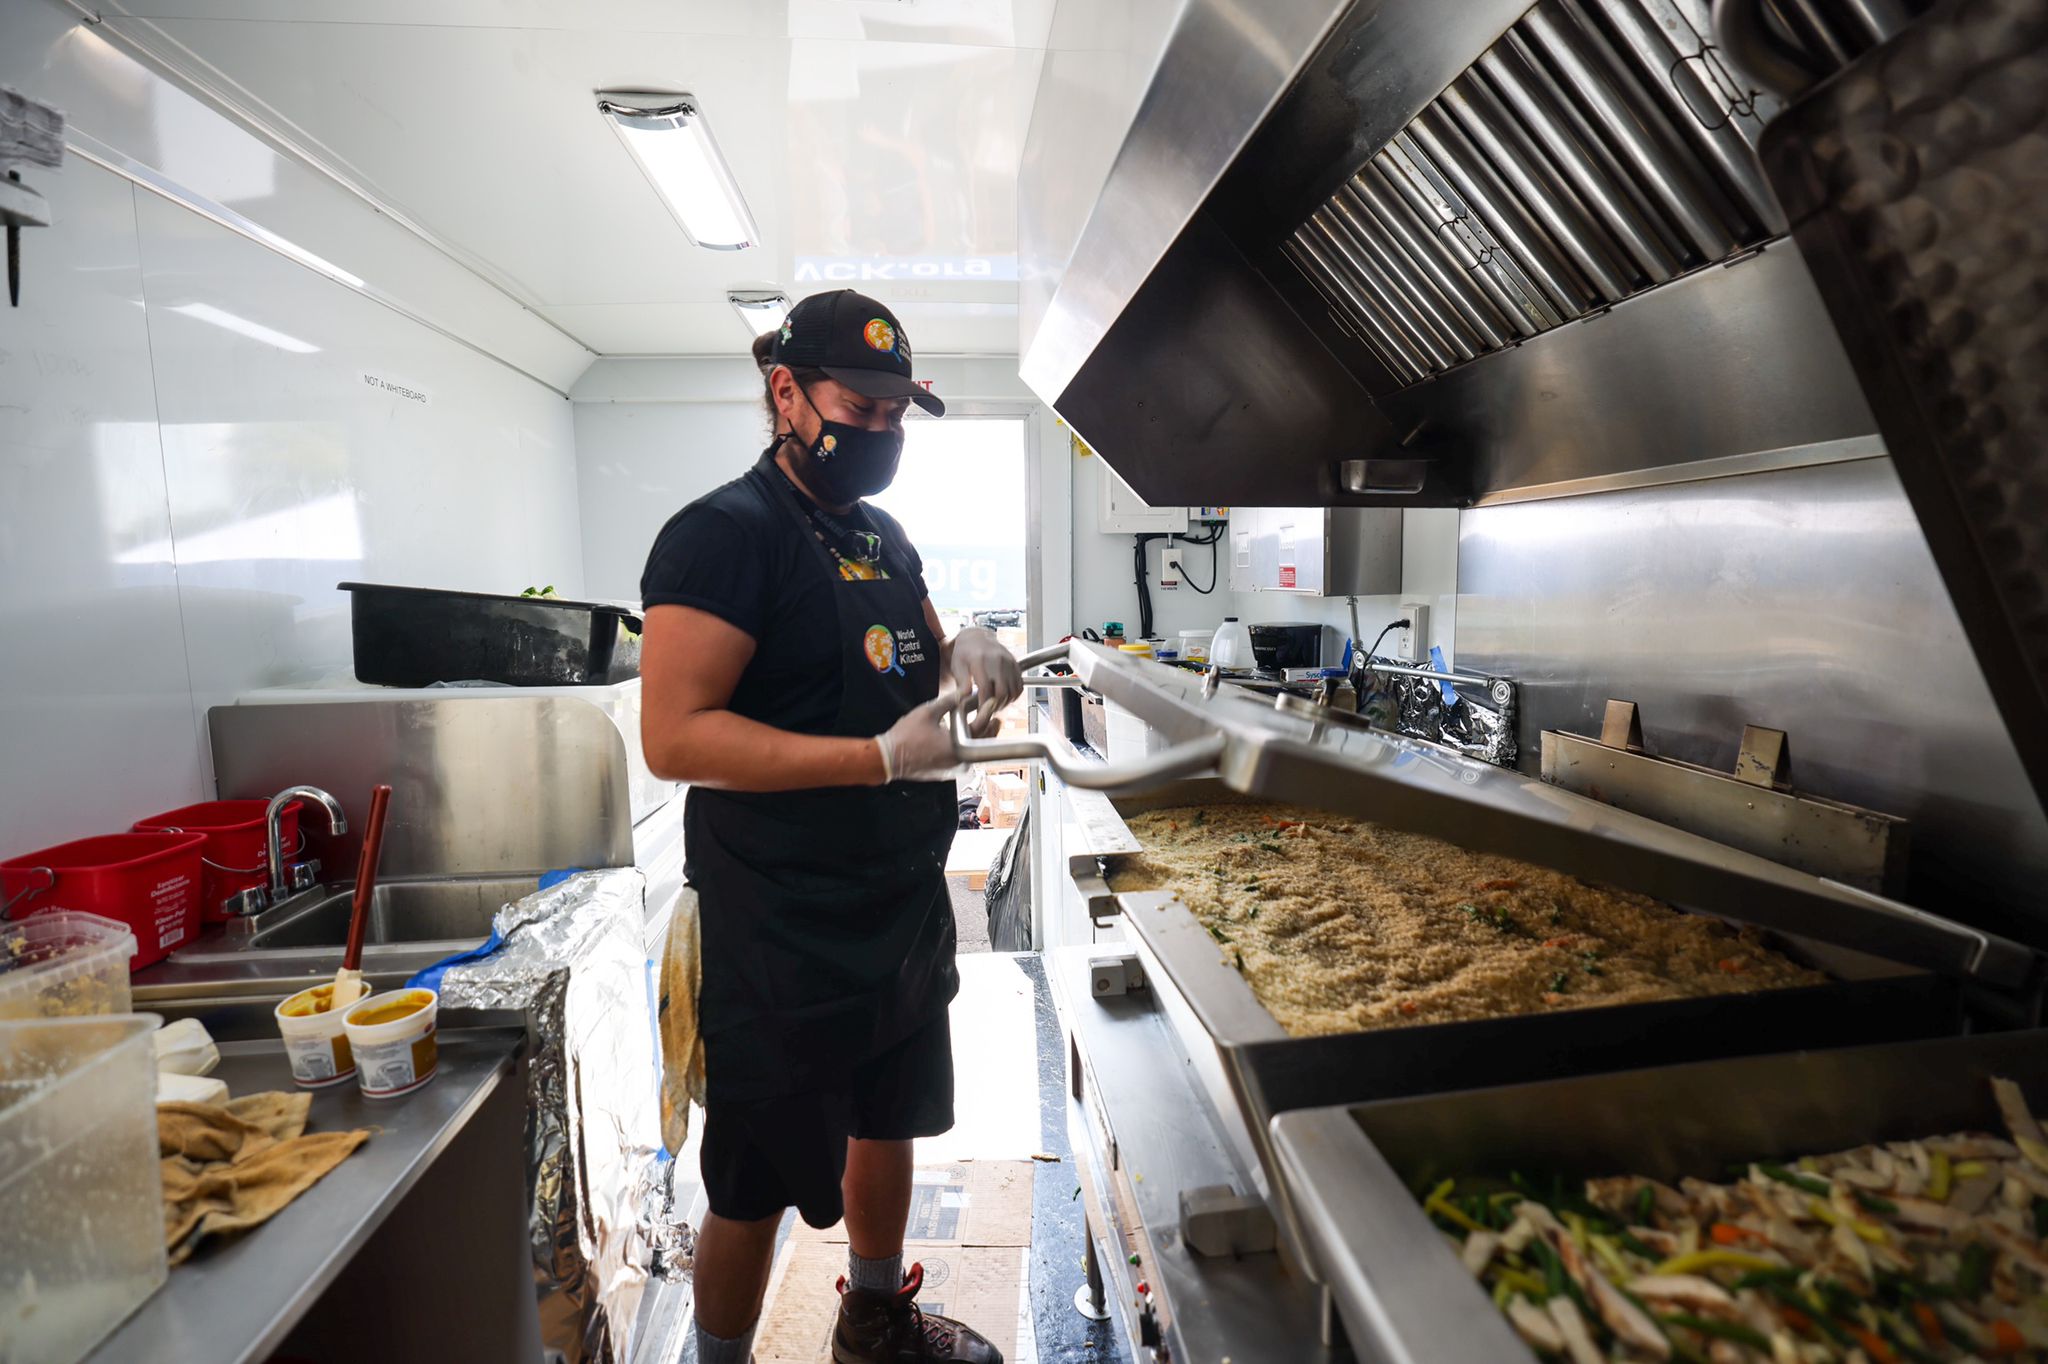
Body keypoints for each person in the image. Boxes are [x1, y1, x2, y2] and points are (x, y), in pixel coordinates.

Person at [639, 289, 1021, 1364]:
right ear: (786, 392)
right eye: (862, 408)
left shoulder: (878, 535)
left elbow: (925, 655)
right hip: (781, 926)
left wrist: (968, 649)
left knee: (888, 1116)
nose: (883, 431)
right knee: (752, 1179)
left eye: (898, 414)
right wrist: (874, 759)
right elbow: (674, 735)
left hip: (895, 907)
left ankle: (872, 1318)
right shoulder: (723, 536)